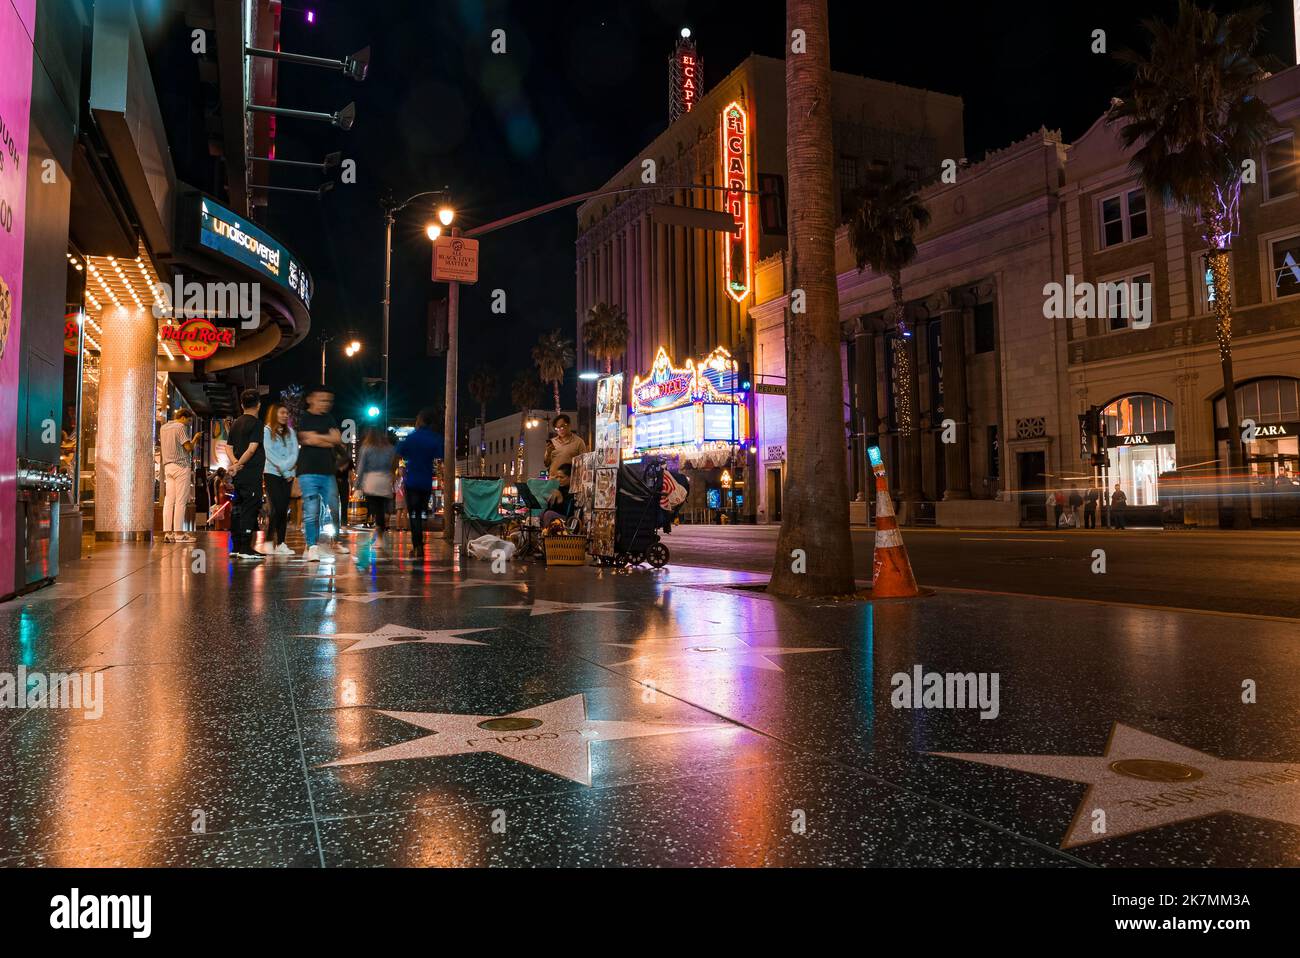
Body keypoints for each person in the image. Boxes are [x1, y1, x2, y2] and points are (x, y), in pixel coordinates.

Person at [296, 385, 349, 562]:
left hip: (328, 471)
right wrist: (327, 439)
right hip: (307, 471)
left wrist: (317, 439)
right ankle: (312, 546)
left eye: (328, 401)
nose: (325, 404)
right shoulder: (304, 418)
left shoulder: (330, 418)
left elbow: (336, 439)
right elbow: (305, 438)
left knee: (335, 507)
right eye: (322, 399)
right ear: (311, 399)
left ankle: (337, 540)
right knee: (312, 510)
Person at [395, 407, 445, 560]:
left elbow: (398, 452)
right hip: (425, 482)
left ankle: (417, 545)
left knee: (413, 514)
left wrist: (393, 473)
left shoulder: (411, 438)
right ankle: (420, 542)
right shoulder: (435, 438)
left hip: (412, 482)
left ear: (420, 421)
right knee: (422, 514)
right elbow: (442, 456)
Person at [227, 389, 266, 560]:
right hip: (250, 474)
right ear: (258, 405)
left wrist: (235, 463)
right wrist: (240, 464)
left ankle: (235, 546)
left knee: (237, 509)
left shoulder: (236, 423)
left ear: (242, 405)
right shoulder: (257, 424)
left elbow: (228, 447)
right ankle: (245, 548)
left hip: (239, 476)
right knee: (250, 509)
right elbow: (252, 449)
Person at [262, 401, 299, 556]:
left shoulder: (290, 432)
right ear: (274, 414)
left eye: (286, 413)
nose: (285, 416)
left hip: (288, 475)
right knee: (276, 508)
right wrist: (284, 470)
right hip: (272, 474)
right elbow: (269, 453)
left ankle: (281, 543)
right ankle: (269, 541)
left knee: (284, 508)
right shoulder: (266, 430)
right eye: (282, 413)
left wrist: (288, 472)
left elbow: (294, 453)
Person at [159, 408, 195, 543]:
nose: (188, 424)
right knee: (181, 500)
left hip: (168, 467)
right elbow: (188, 448)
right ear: (183, 417)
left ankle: (168, 533)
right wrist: (195, 439)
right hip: (181, 467)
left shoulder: (164, 428)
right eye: (189, 421)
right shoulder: (180, 427)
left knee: (169, 500)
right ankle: (179, 533)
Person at [356, 427, 396, 549]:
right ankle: (380, 532)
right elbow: (393, 463)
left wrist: (357, 485)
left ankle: (378, 534)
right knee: (382, 508)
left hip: (371, 480)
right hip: (384, 479)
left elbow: (361, 467)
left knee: (374, 507)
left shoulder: (366, 447)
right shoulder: (389, 448)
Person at [540, 462, 574, 528]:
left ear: (570, 477)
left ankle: (549, 536)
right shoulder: (559, 488)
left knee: (548, 514)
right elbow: (553, 509)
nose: (558, 480)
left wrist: (560, 500)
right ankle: (543, 535)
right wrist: (550, 502)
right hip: (558, 517)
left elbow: (569, 513)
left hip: (569, 519)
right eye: (557, 477)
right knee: (542, 514)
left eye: (561, 477)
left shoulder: (572, 491)